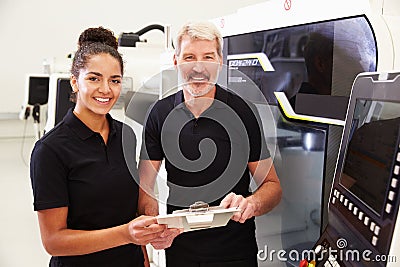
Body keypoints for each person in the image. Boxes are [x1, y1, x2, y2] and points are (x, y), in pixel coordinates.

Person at [29, 26, 179, 267]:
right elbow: (54, 240)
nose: (106, 90)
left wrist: (152, 236)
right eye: (94, 78)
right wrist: (126, 234)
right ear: (75, 82)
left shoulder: (126, 135)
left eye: (115, 80)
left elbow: (137, 206)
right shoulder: (51, 150)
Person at [138, 21, 282, 267]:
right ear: (176, 61)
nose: (198, 67)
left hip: (235, 251)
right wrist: (154, 231)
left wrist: (252, 203)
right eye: (189, 57)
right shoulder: (160, 114)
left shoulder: (242, 112)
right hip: (181, 250)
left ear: (220, 61)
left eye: (207, 56)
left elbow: (272, 186)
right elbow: (145, 192)